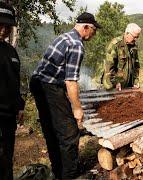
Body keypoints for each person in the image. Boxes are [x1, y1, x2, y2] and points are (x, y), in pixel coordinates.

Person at [29, 12, 101, 179]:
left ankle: (58, 171)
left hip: (38, 84)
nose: (94, 34)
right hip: (50, 87)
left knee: (51, 130)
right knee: (69, 133)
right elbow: (70, 81)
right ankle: (70, 175)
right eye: (94, 30)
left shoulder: (64, 37)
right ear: (85, 27)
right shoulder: (76, 44)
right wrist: (77, 109)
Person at [0, 2, 25, 180]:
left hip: (9, 117)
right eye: (0, 25)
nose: (3, 30)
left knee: (7, 158)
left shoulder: (11, 52)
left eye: (7, 26)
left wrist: (20, 106)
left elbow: (14, 82)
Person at [102, 23, 141, 91]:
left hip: (128, 86)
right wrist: (115, 82)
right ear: (127, 33)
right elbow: (109, 67)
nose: (135, 39)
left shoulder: (133, 46)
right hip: (113, 86)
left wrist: (135, 81)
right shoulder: (115, 44)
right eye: (134, 37)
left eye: (137, 37)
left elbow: (136, 65)